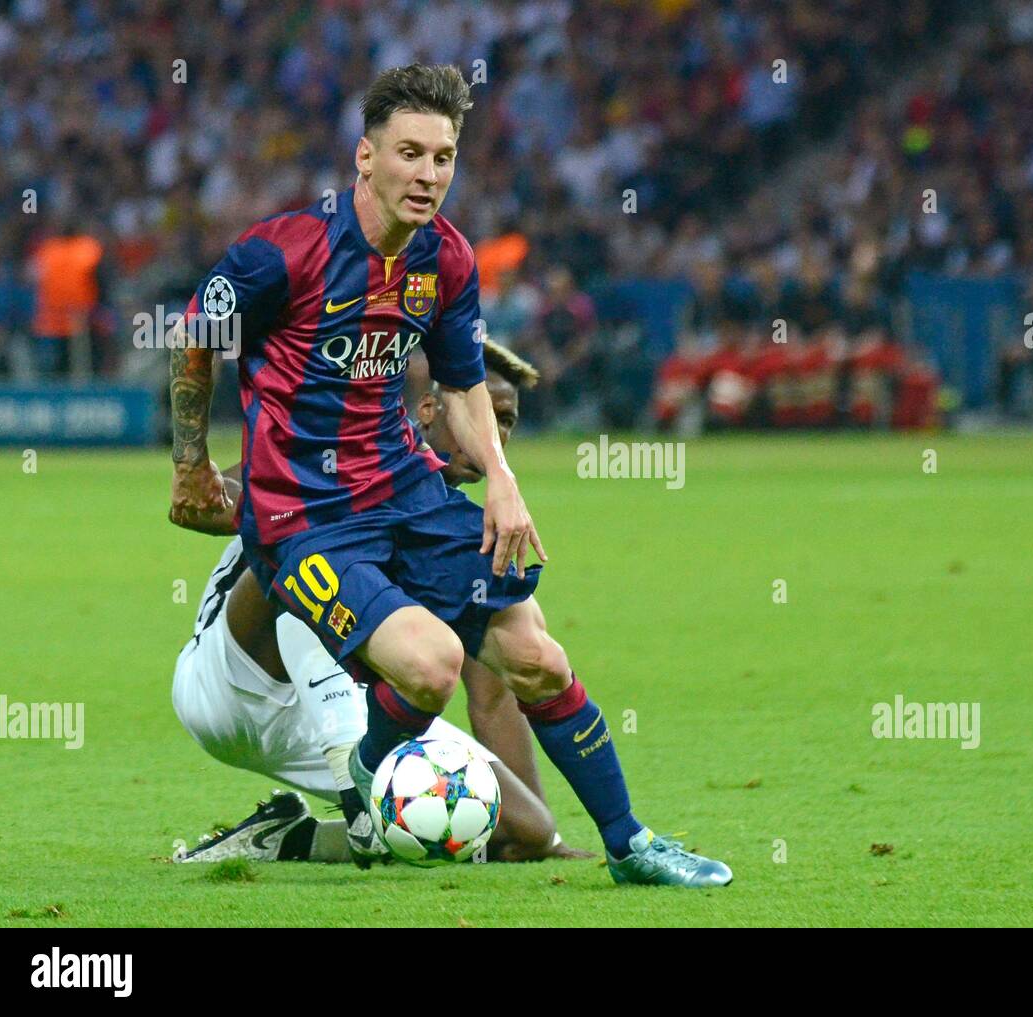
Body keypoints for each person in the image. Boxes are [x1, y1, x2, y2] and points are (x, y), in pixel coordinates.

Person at [168, 63, 730, 886]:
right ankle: (370, 768)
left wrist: (501, 480)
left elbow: (464, 382)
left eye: (444, 156)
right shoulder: (283, 251)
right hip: (306, 520)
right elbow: (194, 331)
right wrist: (188, 464)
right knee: (430, 666)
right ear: (365, 157)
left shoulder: (448, 259)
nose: (428, 174)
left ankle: (632, 845)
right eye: (410, 153)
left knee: (536, 655)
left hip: (407, 491)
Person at [173, 344, 591, 865]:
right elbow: (223, 497)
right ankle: (358, 796)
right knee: (317, 567)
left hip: (344, 713)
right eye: (484, 414)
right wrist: (247, 498)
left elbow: (491, 697)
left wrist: (546, 844)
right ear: (429, 409)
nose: (494, 435)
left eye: (505, 421)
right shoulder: (345, 454)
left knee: (522, 832)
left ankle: (288, 839)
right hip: (234, 680)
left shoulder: (464, 531)